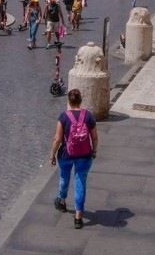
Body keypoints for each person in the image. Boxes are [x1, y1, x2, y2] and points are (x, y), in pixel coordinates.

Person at [49, 88, 98, 229]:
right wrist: (94, 150)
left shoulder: (63, 116)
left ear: (69, 101)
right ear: (80, 100)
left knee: (64, 177)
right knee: (80, 183)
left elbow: (57, 139)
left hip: (66, 154)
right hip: (84, 154)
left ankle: (62, 201)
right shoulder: (88, 116)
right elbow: (94, 137)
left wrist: (52, 155)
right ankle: (78, 216)